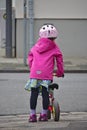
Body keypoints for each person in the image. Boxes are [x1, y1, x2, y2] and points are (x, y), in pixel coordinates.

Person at [25, 24, 64, 122]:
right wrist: (60, 72)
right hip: (46, 75)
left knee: (34, 93)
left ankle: (32, 115)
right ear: (54, 37)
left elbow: (30, 59)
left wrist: (33, 69)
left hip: (34, 74)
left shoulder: (35, 46)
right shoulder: (54, 47)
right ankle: (43, 115)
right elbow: (59, 60)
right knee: (45, 94)